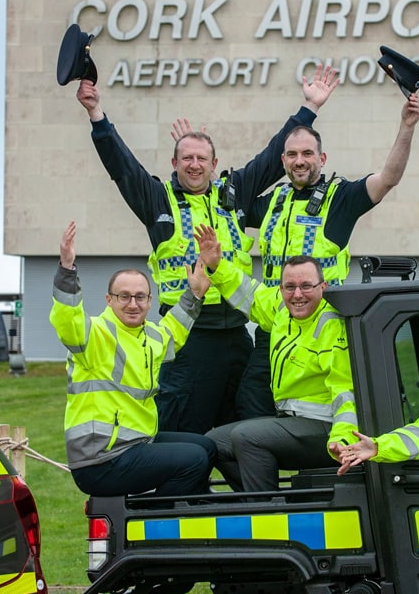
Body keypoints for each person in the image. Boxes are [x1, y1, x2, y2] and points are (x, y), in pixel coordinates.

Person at [75, 66, 340, 436]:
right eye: (187, 158)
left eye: (202, 159)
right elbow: (122, 168)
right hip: (188, 337)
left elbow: (270, 157)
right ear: (174, 164)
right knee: (184, 429)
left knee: (245, 427)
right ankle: (182, 491)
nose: (195, 165)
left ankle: (247, 496)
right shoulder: (157, 201)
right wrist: (96, 116)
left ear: (215, 165)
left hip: (235, 334)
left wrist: (308, 108)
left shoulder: (235, 193)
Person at [236, 92, 419, 419]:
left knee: (317, 419)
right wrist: (307, 109)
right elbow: (237, 190)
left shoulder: (341, 198)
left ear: (322, 160)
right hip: (274, 329)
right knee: (248, 414)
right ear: (282, 162)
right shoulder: (268, 203)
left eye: (308, 153)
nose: (299, 160)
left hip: (322, 332)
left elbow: (388, 178)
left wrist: (406, 126)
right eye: (291, 154)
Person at [51, 220, 216, 497]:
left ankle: (190, 511)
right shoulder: (93, 334)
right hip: (102, 459)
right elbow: (66, 318)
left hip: (137, 443)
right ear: (108, 299)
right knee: (194, 460)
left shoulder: (150, 336)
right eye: (124, 296)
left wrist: (195, 293)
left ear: (150, 301)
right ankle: (153, 521)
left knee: (206, 447)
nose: (132, 304)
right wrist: (67, 269)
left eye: (140, 297)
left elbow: (174, 330)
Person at [194, 224, 356, 492]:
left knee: (247, 436)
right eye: (289, 287)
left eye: (306, 286)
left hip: (327, 430)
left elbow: (345, 392)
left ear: (323, 286)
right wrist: (216, 265)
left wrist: (342, 440)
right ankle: (259, 501)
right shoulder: (282, 309)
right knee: (213, 442)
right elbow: (248, 293)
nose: (298, 294)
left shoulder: (332, 325)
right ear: (280, 289)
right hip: (289, 420)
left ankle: (267, 513)